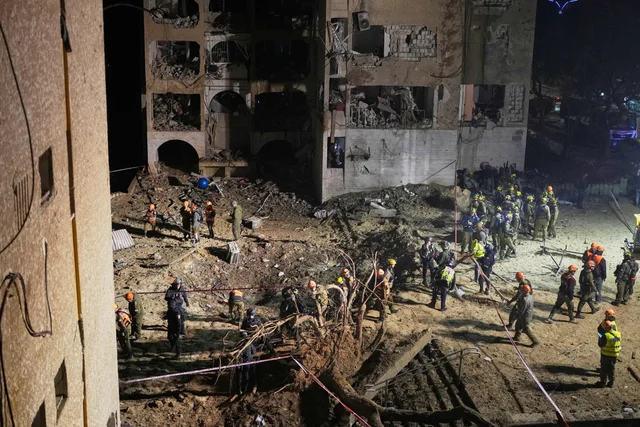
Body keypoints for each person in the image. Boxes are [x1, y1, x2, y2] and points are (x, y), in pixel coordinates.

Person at [596, 320, 621, 388]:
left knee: (603, 369)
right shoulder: (618, 334)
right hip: (614, 355)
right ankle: (611, 383)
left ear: (606, 328)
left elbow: (600, 344)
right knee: (611, 369)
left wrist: (600, 338)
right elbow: (614, 342)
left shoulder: (606, 336)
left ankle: (602, 383)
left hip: (606, 355)